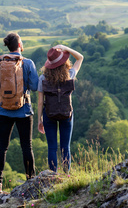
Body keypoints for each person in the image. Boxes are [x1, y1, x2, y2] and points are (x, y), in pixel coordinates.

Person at [0, 32, 39, 194]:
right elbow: (36, 86)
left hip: (3, 110)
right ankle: (31, 180)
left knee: (2, 147)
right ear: (19, 45)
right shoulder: (28, 63)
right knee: (26, 146)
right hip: (23, 110)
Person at [37, 44, 83, 173]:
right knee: (65, 147)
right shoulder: (70, 75)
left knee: (52, 147)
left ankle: (53, 175)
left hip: (49, 114)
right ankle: (66, 174)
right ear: (64, 62)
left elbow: (40, 102)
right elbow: (80, 58)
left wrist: (39, 120)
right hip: (66, 114)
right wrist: (66, 48)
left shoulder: (43, 78)